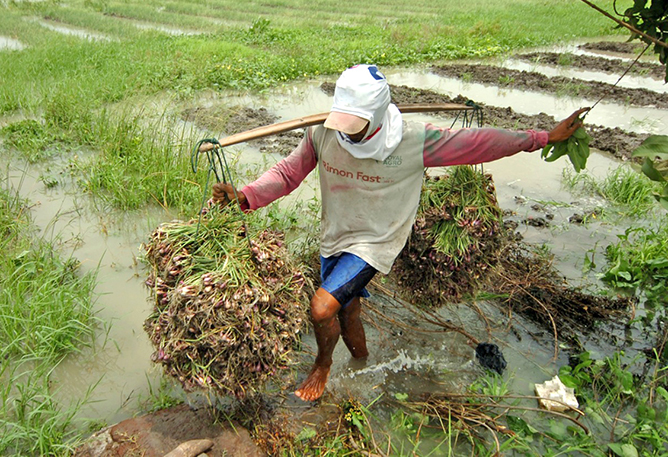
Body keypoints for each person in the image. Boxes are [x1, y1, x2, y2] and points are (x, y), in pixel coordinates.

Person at [212, 64, 588, 402]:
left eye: (354, 125)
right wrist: (245, 195)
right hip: (336, 234)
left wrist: (541, 138)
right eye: (341, 121)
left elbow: (480, 143)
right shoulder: (322, 134)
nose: (346, 133)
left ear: (375, 117)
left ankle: (323, 364)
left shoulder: (412, 140)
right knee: (347, 312)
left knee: (321, 306)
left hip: (376, 241)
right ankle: (362, 362)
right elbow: (287, 174)